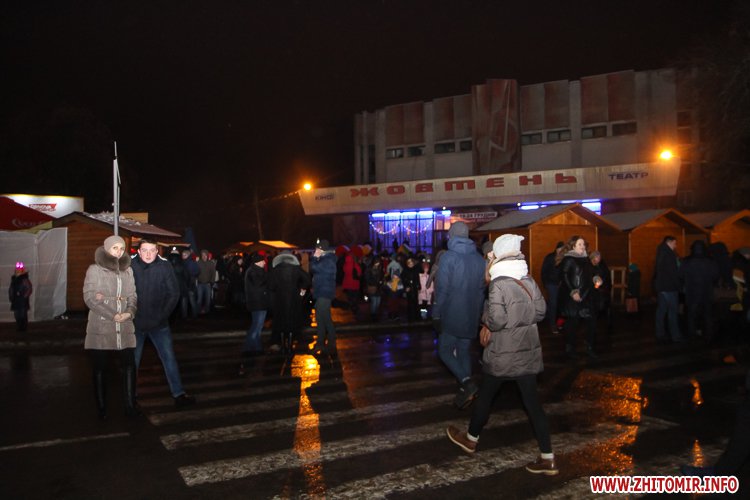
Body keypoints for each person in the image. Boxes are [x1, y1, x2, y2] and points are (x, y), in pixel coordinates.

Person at [446, 234, 557, 475]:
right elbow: (541, 312)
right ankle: (548, 457)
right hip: (527, 351)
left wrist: (485, 318)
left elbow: (497, 321)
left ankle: (471, 439)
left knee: (486, 396)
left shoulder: (498, 283)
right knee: (533, 404)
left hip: (503, 353)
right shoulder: (527, 279)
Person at [131, 239, 196, 408]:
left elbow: (173, 293)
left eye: (152, 250)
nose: (148, 254)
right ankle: (130, 395)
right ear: (139, 251)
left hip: (159, 324)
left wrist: (162, 315)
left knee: (169, 358)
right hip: (135, 323)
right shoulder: (130, 265)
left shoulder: (164, 266)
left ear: (157, 251)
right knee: (132, 361)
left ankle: (179, 393)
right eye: (145, 250)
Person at [82, 235, 139, 419]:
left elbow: (133, 296)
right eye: (115, 248)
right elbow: (89, 297)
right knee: (100, 368)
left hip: (125, 325)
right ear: (107, 249)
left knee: (129, 365)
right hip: (101, 325)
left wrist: (129, 312)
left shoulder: (128, 271)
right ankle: (101, 409)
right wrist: (112, 314)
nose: (119, 252)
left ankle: (129, 406)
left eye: (121, 248)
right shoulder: (95, 270)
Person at [432, 221, 486, 409]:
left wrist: (436, 314)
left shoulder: (449, 257)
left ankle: (467, 382)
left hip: (451, 313)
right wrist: (478, 314)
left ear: (452, 235)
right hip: (471, 314)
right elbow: (481, 291)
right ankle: (467, 389)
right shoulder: (479, 260)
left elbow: (442, 290)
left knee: (444, 351)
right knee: (463, 351)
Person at [557, 235, 599, 359]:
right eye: (579, 244)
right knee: (572, 324)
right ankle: (570, 347)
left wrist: (596, 278)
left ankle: (590, 346)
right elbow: (564, 276)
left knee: (592, 322)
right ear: (573, 246)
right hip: (573, 299)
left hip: (586, 296)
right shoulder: (569, 259)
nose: (582, 246)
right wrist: (573, 291)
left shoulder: (586, 259)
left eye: (583, 244)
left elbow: (592, 273)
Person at [268, 251, 311, 356]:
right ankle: (290, 347)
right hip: (294, 299)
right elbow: (307, 280)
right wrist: (302, 290)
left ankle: (283, 347)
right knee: (292, 322)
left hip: (279, 300)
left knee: (281, 323)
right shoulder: (296, 268)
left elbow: (270, 285)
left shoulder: (275, 270)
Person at [679, 240, 719, 340]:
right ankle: (708, 334)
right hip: (707, 292)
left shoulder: (686, 261)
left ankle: (692, 333)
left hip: (692, 292)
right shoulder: (710, 261)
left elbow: (680, 275)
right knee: (707, 314)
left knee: (691, 315)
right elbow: (715, 276)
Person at [239, 252, 269, 375]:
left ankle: (257, 348)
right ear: (258, 262)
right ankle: (247, 349)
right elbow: (259, 284)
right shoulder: (253, 272)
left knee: (257, 327)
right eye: (263, 261)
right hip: (258, 303)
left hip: (258, 302)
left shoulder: (254, 270)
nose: (264, 262)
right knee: (256, 327)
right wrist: (268, 278)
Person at [653, 235, 685, 344]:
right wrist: (679, 286)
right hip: (669, 287)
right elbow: (673, 273)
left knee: (661, 310)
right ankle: (675, 335)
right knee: (672, 312)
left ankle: (660, 333)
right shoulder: (669, 255)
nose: (676, 246)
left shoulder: (661, 252)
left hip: (661, 287)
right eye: (675, 243)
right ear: (669, 242)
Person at [310, 239, 338, 355]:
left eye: (317, 249)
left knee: (325, 318)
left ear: (321, 249)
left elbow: (314, 268)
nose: (315, 251)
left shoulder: (329, 260)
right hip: (321, 292)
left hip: (325, 293)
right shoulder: (325, 259)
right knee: (320, 319)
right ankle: (320, 343)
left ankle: (331, 343)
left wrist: (314, 258)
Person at [541, 242, 564, 334]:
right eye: (559, 249)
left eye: (562, 249)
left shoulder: (564, 258)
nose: (560, 251)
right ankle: (552, 325)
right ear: (556, 249)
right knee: (553, 303)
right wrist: (545, 283)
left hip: (560, 284)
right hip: (551, 283)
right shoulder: (550, 257)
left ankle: (558, 322)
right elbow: (544, 270)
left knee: (559, 304)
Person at [589, 250, 613, 332]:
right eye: (597, 257)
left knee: (606, 307)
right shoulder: (591, 266)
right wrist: (596, 286)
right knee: (597, 308)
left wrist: (602, 286)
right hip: (597, 291)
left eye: (599, 257)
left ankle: (609, 324)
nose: (599, 258)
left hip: (603, 290)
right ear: (593, 257)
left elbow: (605, 277)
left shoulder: (602, 265)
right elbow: (592, 279)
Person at [8, 261, 32, 332]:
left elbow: (29, 288)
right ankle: (19, 327)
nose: (18, 270)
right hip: (15, 300)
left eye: (19, 269)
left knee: (22, 314)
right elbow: (11, 289)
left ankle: (23, 328)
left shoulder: (24, 279)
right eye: (17, 269)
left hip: (22, 300)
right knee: (17, 314)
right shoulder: (14, 279)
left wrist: (24, 296)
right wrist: (11, 296)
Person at [401, 256, 421, 322]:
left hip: (414, 288)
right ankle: (410, 317)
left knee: (415, 302)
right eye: (409, 262)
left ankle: (417, 317)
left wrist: (419, 286)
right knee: (410, 303)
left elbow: (417, 279)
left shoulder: (415, 269)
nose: (410, 263)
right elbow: (403, 280)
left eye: (411, 262)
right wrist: (406, 286)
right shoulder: (405, 270)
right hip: (409, 288)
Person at [196, 249, 216, 314]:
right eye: (202, 255)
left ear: (207, 255)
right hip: (200, 284)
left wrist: (212, 282)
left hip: (208, 284)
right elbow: (195, 271)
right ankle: (198, 311)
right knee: (199, 299)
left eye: (205, 255)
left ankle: (207, 311)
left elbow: (213, 273)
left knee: (208, 299)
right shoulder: (198, 262)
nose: (204, 256)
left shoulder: (211, 263)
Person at [365, 257, 385, 322]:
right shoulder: (369, 269)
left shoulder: (380, 268)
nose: (377, 264)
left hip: (379, 288)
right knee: (374, 302)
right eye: (376, 262)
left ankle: (375, 314)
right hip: (373, 287)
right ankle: (373, 315)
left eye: (378, 262)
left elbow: (382, 277)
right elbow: (367, 279)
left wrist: (382, 281)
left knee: (378, 302)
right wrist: (376, 282)